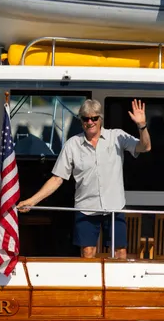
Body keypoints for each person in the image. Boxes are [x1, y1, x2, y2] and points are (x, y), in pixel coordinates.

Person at [16, 99, 151, 259]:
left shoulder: (117, 137)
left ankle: (115, 284)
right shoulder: (72, 144)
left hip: (114, 207)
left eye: (94, 118)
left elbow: (145, 147)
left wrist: (142, 126)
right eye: (85, 118)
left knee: (119, 253)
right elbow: (57, 179)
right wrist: (32, 201)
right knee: (87, 253)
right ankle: (90, 285)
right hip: (86, 208)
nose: (90, 122)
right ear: (80, 120)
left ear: (100, 119)